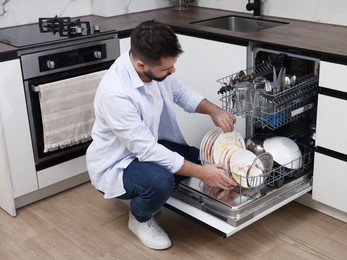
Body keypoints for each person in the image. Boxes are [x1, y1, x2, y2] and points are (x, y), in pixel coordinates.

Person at [86, 20, 237, 250]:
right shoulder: (115, 93)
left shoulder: (156, 69)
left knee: (202, 158)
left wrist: (213, 110)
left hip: (149, 145)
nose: (172, 71)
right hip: (119, 162)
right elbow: (145, 150)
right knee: (160, 181)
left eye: (172, 66)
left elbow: (181, 93)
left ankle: (158, 195)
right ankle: (140, 219)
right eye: (166, 70)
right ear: (140, 64)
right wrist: (201, 174)